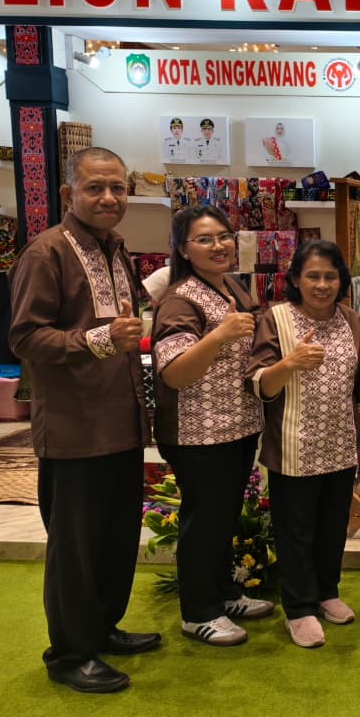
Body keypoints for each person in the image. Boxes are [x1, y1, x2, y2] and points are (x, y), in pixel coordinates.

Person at [8, 147, 159, 694]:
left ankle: (101, 628)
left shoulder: (116, 250)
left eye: (117, 187)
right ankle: (70, 654)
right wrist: (97, 340)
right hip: (74, 429)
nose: (108, 197)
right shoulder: (46, 252)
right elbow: (25, 337)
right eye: (95, 187)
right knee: (73, 547)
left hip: (121, 422)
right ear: (69, 194)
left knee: (116, 537)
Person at [246, 240, 360, 648]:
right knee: (296, 532)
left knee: (332, 527)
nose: (322, 285)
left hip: (339, 445)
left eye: (330, 277)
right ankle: (298, 608)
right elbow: (258, 384)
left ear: (342, 281)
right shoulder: (276, 319)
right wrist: (289, 363)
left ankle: (326, 592)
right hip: (292, 448)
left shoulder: (350, 319)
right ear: (296, 280)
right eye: (313, 276)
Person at [152, 205, 271, 648]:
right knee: (203, 521)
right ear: (183, 249)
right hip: (198, 432)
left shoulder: (230, 286)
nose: (218, 245)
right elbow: (174, 372)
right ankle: (198, 613)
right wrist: (219, 335)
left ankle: (224, 594)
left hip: (237, 425)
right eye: (204, 239)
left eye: (223, 236)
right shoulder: (180, 300)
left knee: (222, 518)